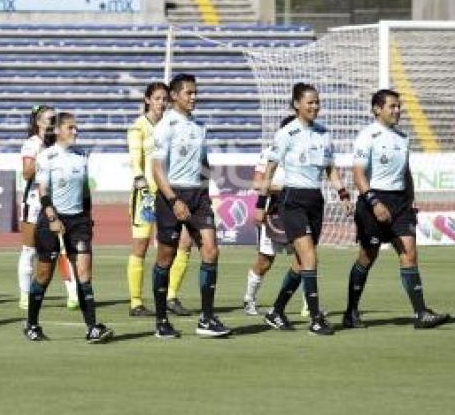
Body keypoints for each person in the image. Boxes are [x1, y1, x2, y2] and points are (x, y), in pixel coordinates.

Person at [343, 89, 449, 330]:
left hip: (401, 202)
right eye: (392, 106)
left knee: (409, 253)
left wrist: (411, 198)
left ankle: (421, 313)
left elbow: (406, 172)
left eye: (398, 106)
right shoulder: (366, 136)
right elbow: (358, 175)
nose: (397, 110)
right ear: (377, 109)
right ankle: (350, 312)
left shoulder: (403, 137)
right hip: (373, 201)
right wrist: (374, 202)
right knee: (367, 256)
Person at [256, 83, 352, 336]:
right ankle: (316, 318)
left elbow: (330, 168)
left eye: (317, 102)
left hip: (315, 201)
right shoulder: (286, 133)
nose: (315, 106)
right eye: (310, 102)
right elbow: (270, 170)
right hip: (292, 200)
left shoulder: (323, 133)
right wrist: (260, 204)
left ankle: (276, 311)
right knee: (310, 258)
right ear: (297, 104)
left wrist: (343, 194)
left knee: (301, 263)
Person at [151, 74, 231, 338]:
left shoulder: (199, 126)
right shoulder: (165, 126)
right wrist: (174, 200)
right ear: (175, 96)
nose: (194, 97)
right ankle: (161, 321)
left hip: (199, 196)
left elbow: (205, 162)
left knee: (211, 250)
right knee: (166, 256)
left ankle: (206, 319)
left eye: (196, 93)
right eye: (189, 93)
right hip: (171, 195)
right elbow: (157, 169)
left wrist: (208, 192)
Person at [23, 112, 113, 343]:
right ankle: (31, 324)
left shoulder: (82, 155)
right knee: (44, 274)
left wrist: (88, 218)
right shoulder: (47, 156)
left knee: (84, 273)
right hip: (52, 220)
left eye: (76, 127)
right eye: (71, 128)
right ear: (58, 130)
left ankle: (92, 327)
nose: (75, 131)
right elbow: (43, 191)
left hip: (78, 221)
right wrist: (52, 218)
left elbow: (84, 191)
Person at [126, 82, 193, 317]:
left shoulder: (173, 124)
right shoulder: (138, 127)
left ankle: (171, 296)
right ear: (147, 100)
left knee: (183, 243)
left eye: (165, 99)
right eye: (156, 98)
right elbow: (136, 159)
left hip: (170, 193)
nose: (161, 103)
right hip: (146, 194)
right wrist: (139, 179)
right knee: (141, 246)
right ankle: (136, 302)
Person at [17, 104, 78, 311]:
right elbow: (26, 173)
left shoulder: (61, 144)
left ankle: (73, 294)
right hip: (34, 202)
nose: (53, 123)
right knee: (29, 250)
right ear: (38, 122)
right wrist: (44, 156)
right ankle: (25, 294)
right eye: (50, 119)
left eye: (55, 120)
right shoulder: (32, 144)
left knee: (63, 247)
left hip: (57, 201)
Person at [243, 115, 299, 316]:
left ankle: (309, 306)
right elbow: (258, 184)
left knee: (305, 258)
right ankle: (249, 299)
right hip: (273, 213)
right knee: (265, 260)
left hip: (296, 211)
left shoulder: (303, 154)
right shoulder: (269, 154)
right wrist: (282, 189)